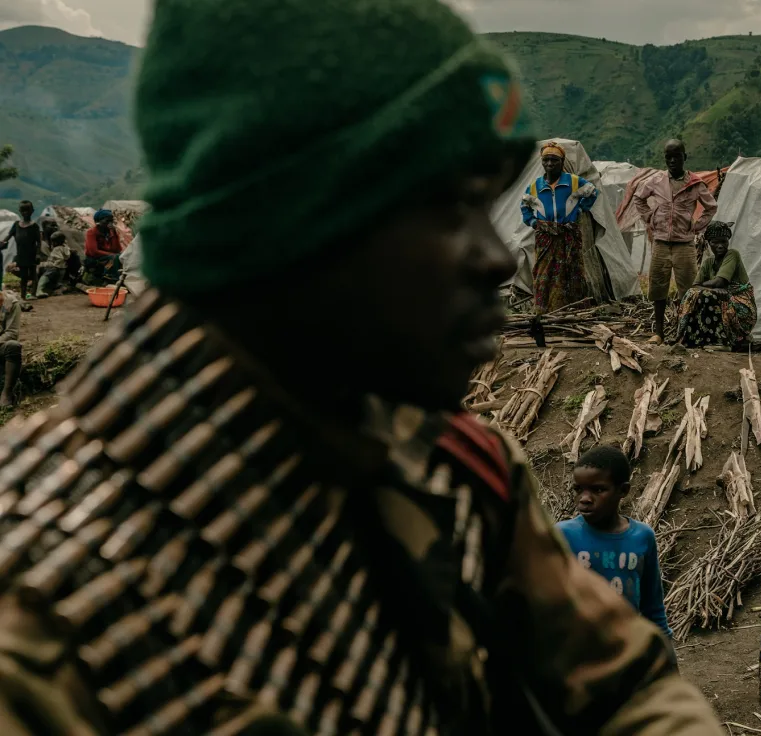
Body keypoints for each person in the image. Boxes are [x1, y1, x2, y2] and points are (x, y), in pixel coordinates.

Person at [0, 1, 723, 733]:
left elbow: (630, 687)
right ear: (296, 222)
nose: (498, 256)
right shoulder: (48, 636)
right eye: (452, 208)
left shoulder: (454, 472)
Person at [557, 446, 673, 638]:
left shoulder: (642, 537)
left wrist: (667, 660)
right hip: (577, 653)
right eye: (578, 489)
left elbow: (653, 607)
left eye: (598, 490)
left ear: (623, 490)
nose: (584, 499)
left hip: (627, 650)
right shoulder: (562, 535)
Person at [633, 139, 718, 344]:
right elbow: (638, 198)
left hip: (684, 244)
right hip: (661, 242)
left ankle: (685, 333)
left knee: (687, 290)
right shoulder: (656, 181)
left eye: (676, 156)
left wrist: (696, 225)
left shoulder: (695, 184)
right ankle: (659, 333)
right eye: (668, 157)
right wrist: (650, 218)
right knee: (658, 288)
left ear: (684, 157)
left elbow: (711, 207)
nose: (672, 160)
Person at [520, 141, 598, 313]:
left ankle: (572, 311)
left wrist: (580, 209)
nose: (549, 164)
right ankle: (544, 312)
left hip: (568, 234)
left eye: (554, 160)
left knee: (572, 273)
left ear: (562, 162)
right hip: (545, 237)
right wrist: (533, 222)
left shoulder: (573, 182)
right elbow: (524, 207)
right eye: (546, 160)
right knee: (543, 275)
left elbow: (592, 191)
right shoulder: (535, 187)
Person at [673, 221, 755, 349]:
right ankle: (694, 339)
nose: (720, 246)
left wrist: (706, 286)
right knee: (694, 294)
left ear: (728, 241)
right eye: (715, 242)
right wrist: (711, 288)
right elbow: (694, 287)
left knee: (706, 295)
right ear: (709, 243)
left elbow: (719, 282)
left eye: (723, 241)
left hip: (741, 308)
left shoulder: (732, 254)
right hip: (723, 301)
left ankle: (722, 342)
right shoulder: (708, 262)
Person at [2, 200, 43, 300]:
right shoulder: (16, 225)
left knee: (33, 274)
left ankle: (33, 294)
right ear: (20, 211)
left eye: (27, 210)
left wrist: (38, 254)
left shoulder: (34, 226)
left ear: (32, 211)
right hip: (21, 254)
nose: (25, 213)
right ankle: (23, 295)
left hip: (32, 254)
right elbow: (9, 235)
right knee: (23, 276)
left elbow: (39, 242)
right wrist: (3, 241)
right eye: (23, 211)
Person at [84, 208, 124, 283]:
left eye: (111, 221)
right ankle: (109, 277)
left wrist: (114, 234)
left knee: (121, 256)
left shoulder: (110, 233)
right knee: (114, 257)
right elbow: (93, 252)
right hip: (94, 259)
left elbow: (117, 249)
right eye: (107, 221)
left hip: (108, 257)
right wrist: (112, 254)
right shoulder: (91, 232)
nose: (110, 223)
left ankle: (119, 277)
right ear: (99, 222)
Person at [0, 289, 20, 408]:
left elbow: (12, 332)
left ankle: (7, 393)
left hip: (1, 345)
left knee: (13, 346)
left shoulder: (11, 303)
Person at [35, 231, 72, 298]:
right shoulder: (65, 248)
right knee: (58, 282)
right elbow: (66, 257)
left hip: (56, 267)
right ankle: (56, 287)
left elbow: (59, 258)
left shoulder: (56, 249)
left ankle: (39, 290)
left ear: (55, 242)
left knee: (44, 273)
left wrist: (53, 264)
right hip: (63, 268)